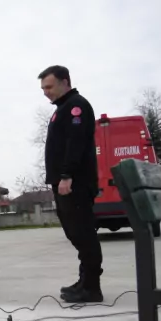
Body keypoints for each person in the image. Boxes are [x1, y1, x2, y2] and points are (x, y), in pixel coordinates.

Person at [38, 64, 104, 303]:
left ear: (65, 82)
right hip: (66, 181)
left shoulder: (76, 106)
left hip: (74, 182)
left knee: (82, 233)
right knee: (76, 233)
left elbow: (75, 144)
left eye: (49, 86)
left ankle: (91, 287)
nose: (45, 92)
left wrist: (66, 176)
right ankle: (85, 280)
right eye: (43, 88)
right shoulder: (63, 108)